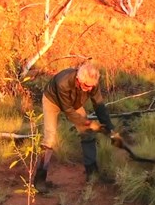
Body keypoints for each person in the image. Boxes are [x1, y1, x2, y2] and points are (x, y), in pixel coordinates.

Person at [34, 62, 115, 193]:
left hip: (74, 103)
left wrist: (110, 128)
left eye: (92, 86)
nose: (90, 89)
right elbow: (69, 112)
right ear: (79, 80)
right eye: (87, 86)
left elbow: (99, 105)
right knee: (50, 138)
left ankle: (92, 174)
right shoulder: (63, 82)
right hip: (52, 101)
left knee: (87, 133)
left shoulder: (92, 83)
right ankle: (39, 181)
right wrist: (89, 123)